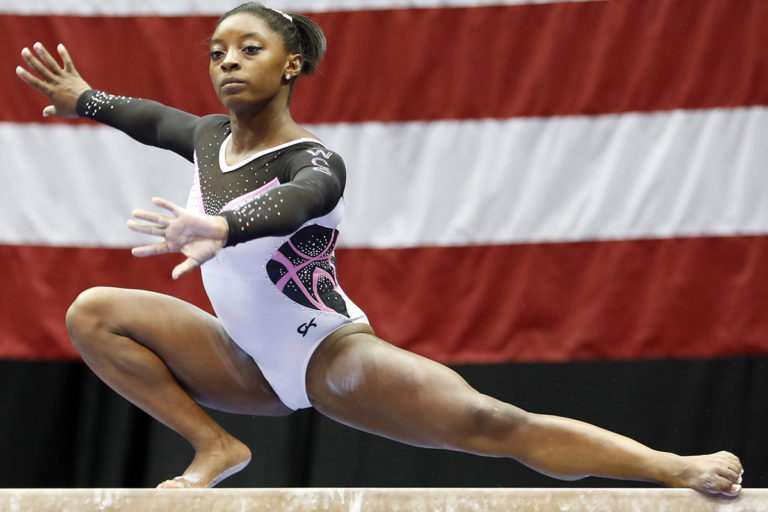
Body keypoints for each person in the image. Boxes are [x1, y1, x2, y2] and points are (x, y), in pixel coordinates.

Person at [16, 2, 743, 494]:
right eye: (216, 51)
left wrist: (225, 227)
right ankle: (217, 448)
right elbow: (152, 119)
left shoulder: (314, 157)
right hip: (243, 361)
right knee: (95, 311)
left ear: (292, 64)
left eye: (249, 48)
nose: (226, 62)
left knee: (494, 424)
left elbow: (305, 201)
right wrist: (87, 98)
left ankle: (672, 468)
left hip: (329, 355)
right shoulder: (209, 140)